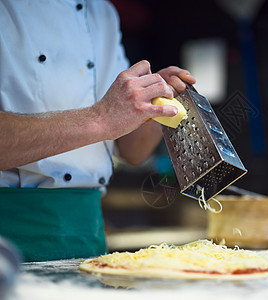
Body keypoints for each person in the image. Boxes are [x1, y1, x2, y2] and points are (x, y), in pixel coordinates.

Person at [0, 0, 195, 261]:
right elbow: (107, 118)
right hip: (11, 234)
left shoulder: (102, 12)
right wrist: (102, 117)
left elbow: (133, 151)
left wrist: (153, 105)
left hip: (88, 235)